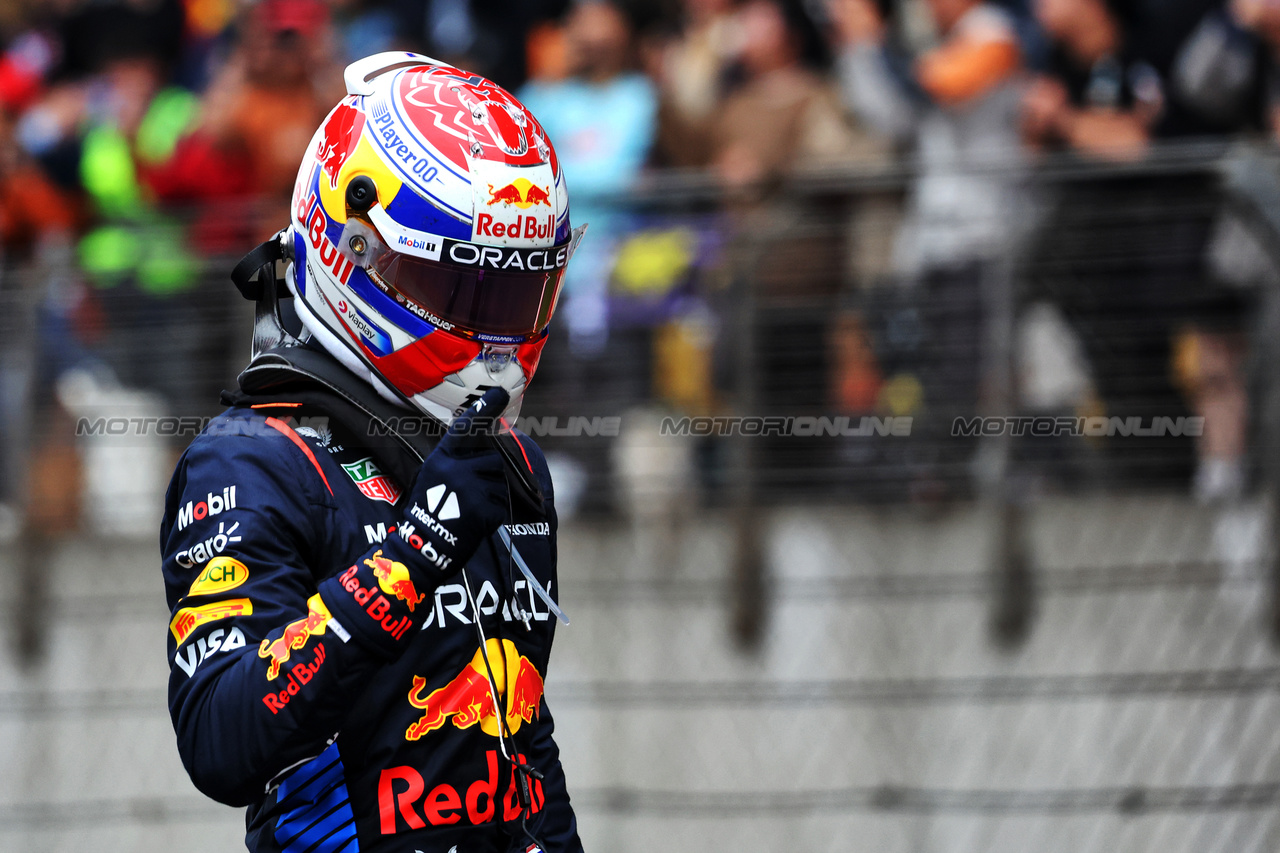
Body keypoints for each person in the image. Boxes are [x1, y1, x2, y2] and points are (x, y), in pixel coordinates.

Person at [161, 52, 586, 852]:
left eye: (515, 295)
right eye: (460, 292)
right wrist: (417, 549)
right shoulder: (254, 461)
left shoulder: (509, 464)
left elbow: (522, 741)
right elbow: (219, 742)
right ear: (349, 244)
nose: (493, 335)